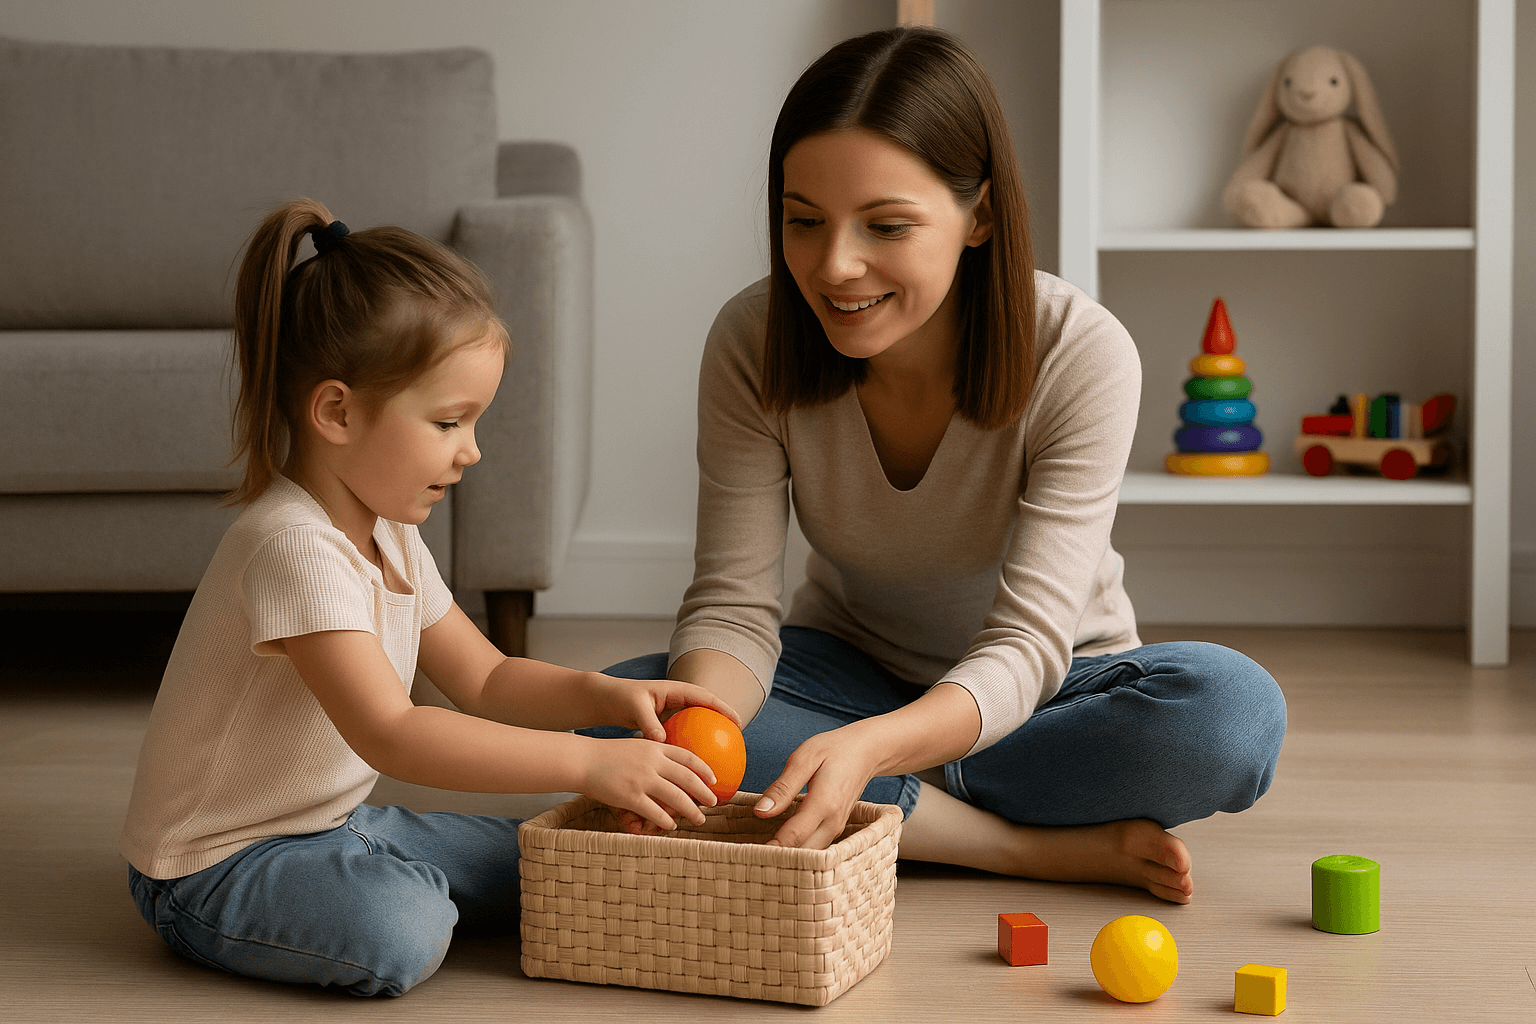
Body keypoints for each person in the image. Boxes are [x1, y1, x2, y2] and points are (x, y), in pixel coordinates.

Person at [602, 27, 1287, 904]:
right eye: (802, 221)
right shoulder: (752, 340)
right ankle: (1018, 846)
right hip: (847, 672)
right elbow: (733, 605)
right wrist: (697, 745)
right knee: (619, 713)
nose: (833, 266)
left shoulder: (1080, 351)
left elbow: (1028, 643)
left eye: (886, 225)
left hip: (1044, 692)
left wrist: (874, 751)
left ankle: (875, 804)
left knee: (1229, 719)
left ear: (982, 216)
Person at [119, 198, 737, 997]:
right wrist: (589, 762)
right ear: (337, 412)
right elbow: (395, 733)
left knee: (558, 859)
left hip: (335, 830)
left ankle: (378, 871)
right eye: (449, 421)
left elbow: (485, 679)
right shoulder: (291, 547)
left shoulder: (391, 533)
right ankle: (384, 886)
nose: (472, 450)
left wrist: (606, 698)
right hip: (214, 867)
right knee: (403, 933)